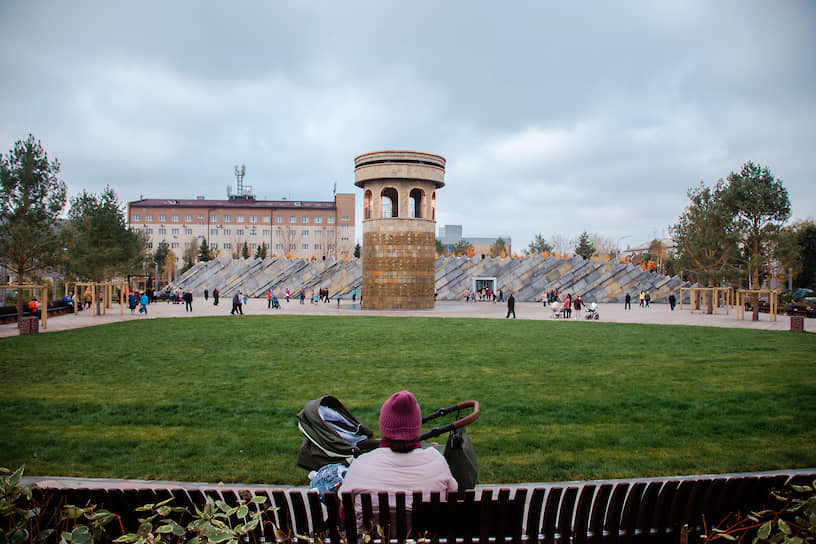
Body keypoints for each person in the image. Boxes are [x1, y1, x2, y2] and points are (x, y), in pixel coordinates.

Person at [339, 391, 458, 530]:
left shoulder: (361, 464)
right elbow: (452, 496)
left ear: (384, 425)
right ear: (416, 426)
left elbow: (345, 510)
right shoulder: (437, 461)